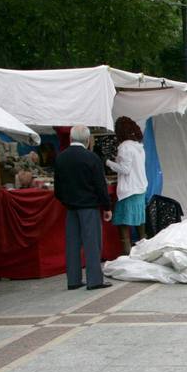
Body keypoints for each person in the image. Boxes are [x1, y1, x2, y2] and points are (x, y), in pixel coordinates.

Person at [53, 125, 112, 290]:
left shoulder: (61, 158)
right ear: (87, 140)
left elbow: (57, 188)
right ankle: (94, 280)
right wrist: (107, 206)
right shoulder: (91, 158)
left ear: (71, 138)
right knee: (92, 243)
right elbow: (100, 185)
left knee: (72, 244)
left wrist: (66, 201)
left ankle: (73, 280)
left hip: (71, 207)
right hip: (89, 206)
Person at [107, 116, 148, 254]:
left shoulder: (124, 147)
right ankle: (144, 254)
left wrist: (107, 162)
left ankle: (127, 259)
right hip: (140, 189)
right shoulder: (139, 147)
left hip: (128, 191)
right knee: (140, 228)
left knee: (123, 227)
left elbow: (125, 169)